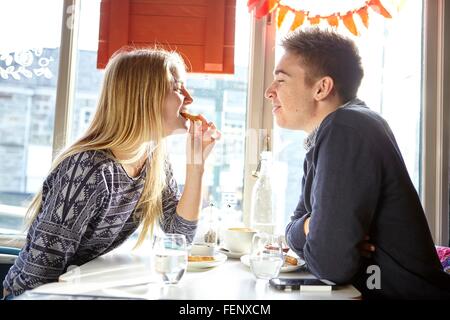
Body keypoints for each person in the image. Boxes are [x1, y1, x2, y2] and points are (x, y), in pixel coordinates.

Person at [2, 48, 220, 298]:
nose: (189, 98)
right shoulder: (88, 170)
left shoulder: (153, 160)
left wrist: (197, 165)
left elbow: (178, 236)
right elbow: (38, 277)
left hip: (78, 290)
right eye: (177, 88)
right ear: (144, 97)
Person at [265, 28, 450, 299]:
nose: (270, 92)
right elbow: (295, 227)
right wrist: (312, 226)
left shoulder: (346, 129)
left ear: (321, 88)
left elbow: (330, 264)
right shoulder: (330, 134)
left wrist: (321, 232)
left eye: (280, 80)